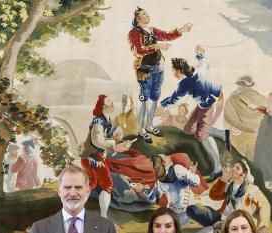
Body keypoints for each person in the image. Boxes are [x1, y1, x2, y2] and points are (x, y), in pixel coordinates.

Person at [127, 7, 192, 144]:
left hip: (158, 68)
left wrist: (181, 31)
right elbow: (138, 51)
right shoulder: (134, 33)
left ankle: (150, 125)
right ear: (138, 19)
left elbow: (167, 35)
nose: (147, 15)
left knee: (154, 97)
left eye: (147, 13)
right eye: (144, 14)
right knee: (144, 99)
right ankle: (141, 128)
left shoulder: (152, 30)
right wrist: (157, 46)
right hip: (144, 70)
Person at [160, 58, 224, 179]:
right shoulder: (196, 70)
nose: (174, 75)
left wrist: (162, 106)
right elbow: (204, 62)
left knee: (201, 136)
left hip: (212, 102)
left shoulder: (185, 83)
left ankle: (218, 167)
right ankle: (222, 134)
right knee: (189, 128)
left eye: (174, 72)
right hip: (203, 104)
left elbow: (174, 99)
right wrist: (201, 55)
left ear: (180, 71)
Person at [80, 94, 134, 218]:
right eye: (109, 102)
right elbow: (97, 141)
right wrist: (114, 145)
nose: (112, 103)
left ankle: (78, 211)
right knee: (107, 184)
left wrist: (118, 138)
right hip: (93, 159)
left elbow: (112, 137)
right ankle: (103, 216)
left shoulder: (107, 121)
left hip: (94, 158)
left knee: (92, 184)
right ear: (104, 107)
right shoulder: (98, 123)